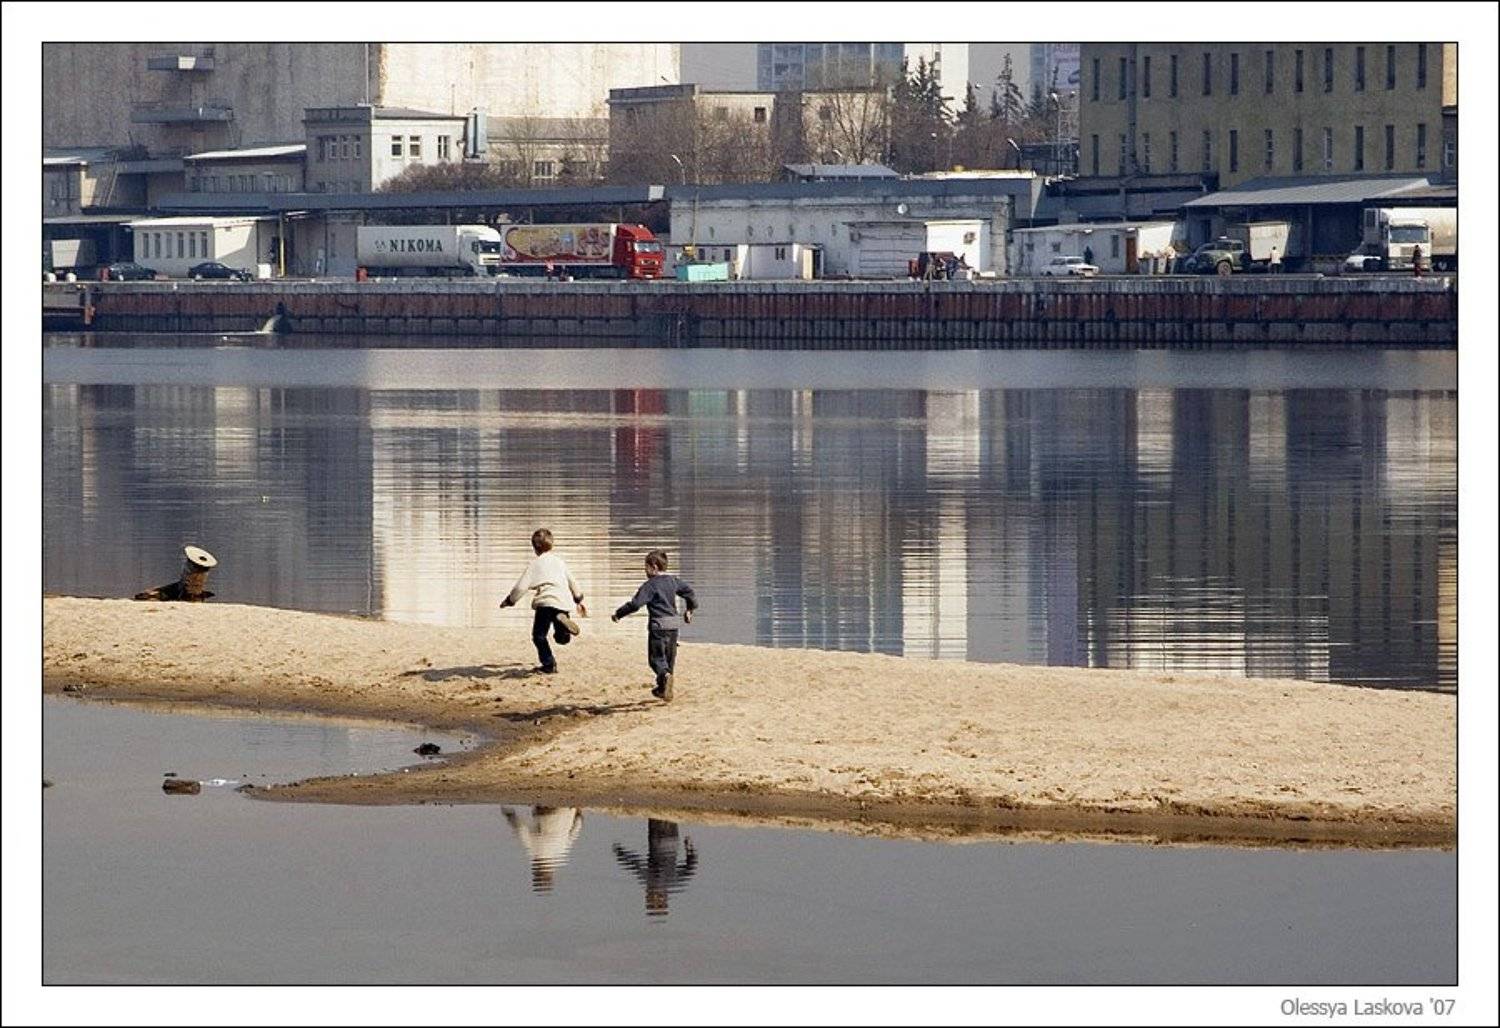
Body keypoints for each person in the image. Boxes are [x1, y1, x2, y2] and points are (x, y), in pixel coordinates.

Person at [611, 549, 696, 701]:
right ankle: (663, 688)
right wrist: (690, 608)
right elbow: (689, 592)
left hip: (658, 627)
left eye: (646, 567)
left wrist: (619, 613)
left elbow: (636, 604)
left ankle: (664, 677)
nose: (645, 571)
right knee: (669, 659)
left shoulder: (650, 585)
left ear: (654, 567)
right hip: (673, 626)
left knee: (656, 659)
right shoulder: (673, 581)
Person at [500, 528, 586, 675]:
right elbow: (573, 582)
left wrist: (510, 600)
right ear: (551, 544)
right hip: (562, 602)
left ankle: (549, 664)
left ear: (534, 547)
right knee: (561, 640)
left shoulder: (535, 564)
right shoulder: (559, 562)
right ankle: (563, 628)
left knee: (539, 636)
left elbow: (520, 587)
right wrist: (578, 598)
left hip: (545, 602)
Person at [612, 818, 698, 917]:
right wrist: (619, 853)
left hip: (669, 839)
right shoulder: (655, 881)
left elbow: (690, 867)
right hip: (659, 839)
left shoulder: (671, 884)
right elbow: (634, 864)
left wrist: (690, 849)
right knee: (658, 813)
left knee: (666, 814)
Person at [502, 806, 583, 893]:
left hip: (569, 808)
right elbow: (520, 829)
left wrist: (578, 812)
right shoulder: (537, 851)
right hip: (550, 809)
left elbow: (578, 826)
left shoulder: (561, 853)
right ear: (536, 870)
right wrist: (509, 815)